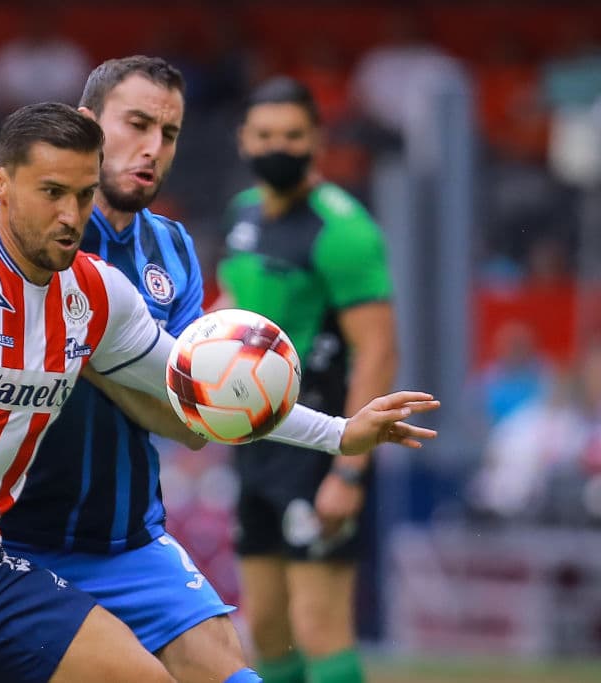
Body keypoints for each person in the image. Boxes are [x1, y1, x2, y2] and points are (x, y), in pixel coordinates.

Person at [0, 101, 437, 683]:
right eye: (51, 193)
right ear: (0, 186)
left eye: (81, 193)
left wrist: (340, 432)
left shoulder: (94, 292)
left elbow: (202, 393)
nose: (71, 216)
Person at [217, 77, 399, 683]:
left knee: (320, 623)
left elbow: (376, 351)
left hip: (321, 443)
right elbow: (231, 309)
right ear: (243, 139)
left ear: (317, 142)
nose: (279, 146)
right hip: (256, 441)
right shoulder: (242, 214)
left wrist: (349, 470)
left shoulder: (344, 229)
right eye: (265, 135)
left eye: (293, 135)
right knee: (265, 623)